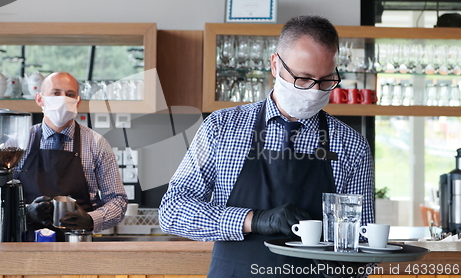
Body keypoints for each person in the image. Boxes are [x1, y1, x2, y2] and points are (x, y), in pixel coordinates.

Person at [159, 15, 374, 277]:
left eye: (325, 81)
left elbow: (362, 243)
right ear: (275, 65)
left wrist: (348, 263)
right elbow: (173, 210)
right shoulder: (221, 128)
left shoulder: (352, 145)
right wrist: (255, 220)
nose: (314, 91)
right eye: (304, 79)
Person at [13, 72, 127, 241]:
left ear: (77, 101)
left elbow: (118, 201)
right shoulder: (18, 142)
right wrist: (26, 212)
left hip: (79, 246)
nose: (62, 99)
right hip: (25, 246)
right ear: (40, 99)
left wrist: (91, 220)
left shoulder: (97, 144)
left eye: (70, 94)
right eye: (56, 93)